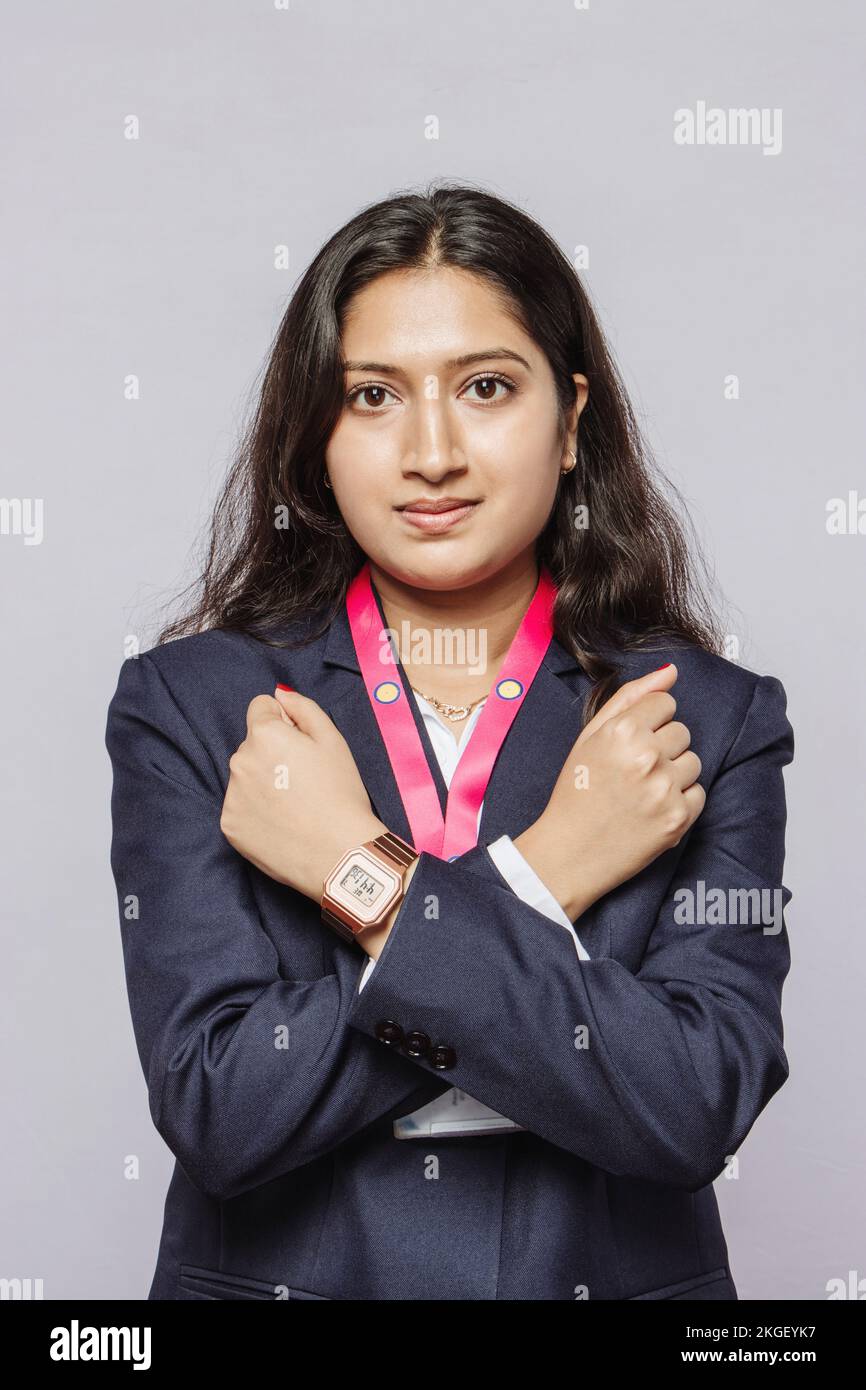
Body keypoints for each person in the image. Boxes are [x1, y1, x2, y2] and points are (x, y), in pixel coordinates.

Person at [105, 182, 794, 1301]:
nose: (431, 451)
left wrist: (360, 882)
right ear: (316, 433)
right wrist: (551, 869)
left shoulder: (705, 720)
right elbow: (223, 1106)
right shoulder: (196, 707)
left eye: (484, 387)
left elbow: (690, 1105)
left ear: (569, 422)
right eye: (372, 394)